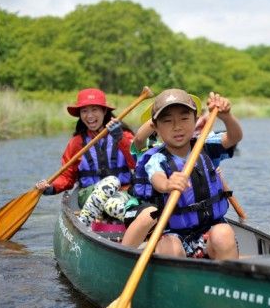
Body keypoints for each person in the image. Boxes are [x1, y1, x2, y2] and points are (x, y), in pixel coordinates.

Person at [122, 89, 243, 260]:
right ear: (155, 128)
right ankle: (177, 283)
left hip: (207, 233)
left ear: (195, 120)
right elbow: (157, 179)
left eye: (185, 119)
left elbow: (234, 137)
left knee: (224, 233)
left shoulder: (206, 146)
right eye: (168, 121)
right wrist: (167, 184)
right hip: (174, 235)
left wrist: (227, 117)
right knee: (168, 246)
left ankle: (230, 282)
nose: (177, 127)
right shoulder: (156, 158)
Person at [35, 88, 136, 224]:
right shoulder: (77, 142)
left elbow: (138, 163)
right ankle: (91, 219)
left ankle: (124, 220)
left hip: (122, 192)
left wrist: (121, 139)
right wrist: (51, 187)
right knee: (111, 181)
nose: (89, 116)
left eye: (94, 109)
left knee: (112, 204)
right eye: (84, 111)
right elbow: (66, 177)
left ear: (104, 111)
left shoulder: (123, 136)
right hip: (88, 193)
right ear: (80, 115)